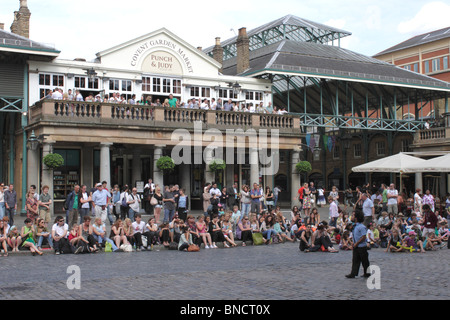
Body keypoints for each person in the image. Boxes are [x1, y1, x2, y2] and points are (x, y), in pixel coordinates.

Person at [345, 211, 370, 278]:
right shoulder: (355, 226)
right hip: (356, 246)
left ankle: (367, 273)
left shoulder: (361, 227)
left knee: (364, 261)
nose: (351, 217)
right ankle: (353, 273)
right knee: (355, 260)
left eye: (353, 216)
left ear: (356, 218)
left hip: (362, 247)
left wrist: (357, 243)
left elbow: (363, 237)